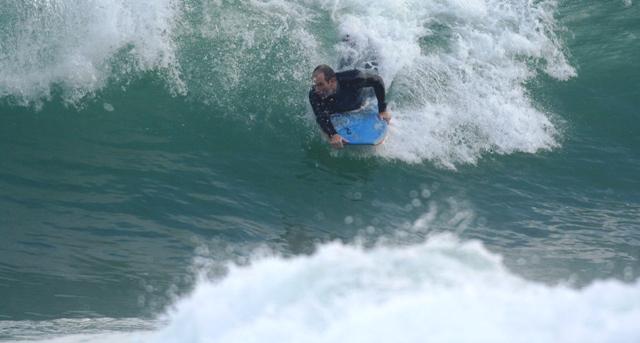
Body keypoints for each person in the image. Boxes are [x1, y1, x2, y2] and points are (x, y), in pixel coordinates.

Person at [309, 64, 391, 149]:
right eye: (315, 85)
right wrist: (333, 134)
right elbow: (320, 115)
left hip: (364, 97)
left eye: (320, 84)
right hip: (341, 104)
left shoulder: (353, 79)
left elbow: (378, 80)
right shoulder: (314, 94)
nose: (317, 89)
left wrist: (382, 110)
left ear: (332, 81)